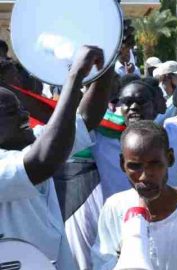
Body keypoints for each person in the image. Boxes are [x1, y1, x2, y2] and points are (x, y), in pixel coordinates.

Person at [0, 46, 106, 269]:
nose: (25, 115)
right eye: (12, 112)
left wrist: (104, 66)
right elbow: (43, 161)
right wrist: (74, 77)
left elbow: (86, 118)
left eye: (21, 108)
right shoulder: (30, 156)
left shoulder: (28, 145)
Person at [91, 120, 177, 269]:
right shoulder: (115, 208)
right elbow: (102, 262)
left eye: (155, 164)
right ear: (123, 163)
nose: (144, 176)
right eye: (135, 166)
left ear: (170, 158)